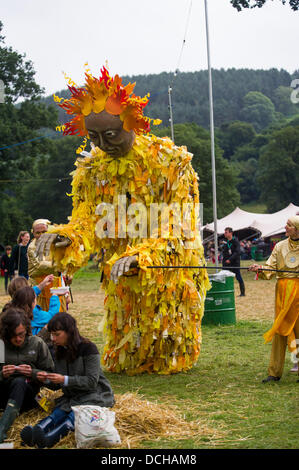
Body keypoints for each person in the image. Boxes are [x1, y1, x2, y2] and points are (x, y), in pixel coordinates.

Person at [34, 66, 210, 376]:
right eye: (94, 136)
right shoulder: (92, 170)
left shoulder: (172, 163)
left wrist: (142, 257)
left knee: (168, 342)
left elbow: (179, 225)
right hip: (119, 280)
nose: (102, 143)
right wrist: (69, 238)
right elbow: (89, 221)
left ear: (133, 123)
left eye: (111, 134)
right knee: (126, 347)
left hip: (167, 277)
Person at [20, 312, 114, 448]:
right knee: (59, 412)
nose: (53, 338)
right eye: (51, 334)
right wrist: (45, 379)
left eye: (57, 334)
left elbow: (91, 381)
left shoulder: (89, 348)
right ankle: (37, 431)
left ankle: (49, 439)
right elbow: (57, 384)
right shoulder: (58, 351)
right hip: (72, 396)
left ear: (70, 332)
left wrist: (64, 379)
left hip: (95, 394)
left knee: (76, 415)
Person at [249, 216, 299, 383]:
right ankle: (274, 372)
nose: (285, 227)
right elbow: (270, 268)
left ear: (297, 229)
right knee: (279, 331)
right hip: (283, 295)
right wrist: (260, 268)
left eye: (289, 225)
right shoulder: (280, 246)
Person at [0, 308, 54, 443]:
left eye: (21, 334)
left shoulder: (37, 343)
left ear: (27, 330)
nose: (18, 339)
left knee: (19, 382)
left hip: (28, 396)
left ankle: (1, 430)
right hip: (4, 395)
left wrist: (33, 373)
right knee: (15, 382)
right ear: (6, 334)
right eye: (13, 335)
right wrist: (2, 374)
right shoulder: (1, 346)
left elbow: (53, 381)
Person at [27, 219, 68, 312]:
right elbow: (41, 264)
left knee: (59, 312)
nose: (41, 235)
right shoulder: (32, 247)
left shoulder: (53, 242)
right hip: (40, 285)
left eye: (44, 232)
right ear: (33, 233)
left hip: (55, 283)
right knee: (43, 315)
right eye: (38, 233)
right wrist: (61, 266)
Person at [222, 227, 245, 297]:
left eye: (226, 232)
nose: (224, 234)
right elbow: (225, 253)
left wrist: (230, 259)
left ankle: (242, 293)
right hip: (227, 263)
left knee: (238, 277)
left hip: (235, 262)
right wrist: (224, 262)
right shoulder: (226, 242)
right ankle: (225, 292)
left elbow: (237, 252)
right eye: (224, 232)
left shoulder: (235, 241)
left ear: (230, 233)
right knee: (224, 276)